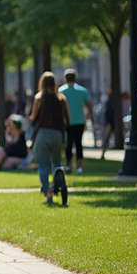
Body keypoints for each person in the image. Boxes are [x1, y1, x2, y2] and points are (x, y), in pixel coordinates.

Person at [30, 71, 71, 204]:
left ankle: (48, 192)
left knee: (43, 165)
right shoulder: (62, 98)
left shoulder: (39, 97)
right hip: (58, 134)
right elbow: (68, 119)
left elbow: (33, 116)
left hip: (43, 133)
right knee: (57, 162)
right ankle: (60, 180)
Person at [59, 69, 94, 174]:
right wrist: (92, 118)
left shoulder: (61, 91)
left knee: (68, 143)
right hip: (80, 121)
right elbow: (90, 106)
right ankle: (79, 167)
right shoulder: (83, 91)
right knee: (79, 144)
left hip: (66, 122)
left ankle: (68, 165)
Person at [100, 87, 115, 159]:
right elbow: (107, 114)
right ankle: (103, 152)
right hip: (109, 123)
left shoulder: (109, 103)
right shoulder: (110, 103)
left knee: (106, 138)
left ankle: (103, 152)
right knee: (106, 138)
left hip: (109, 122)